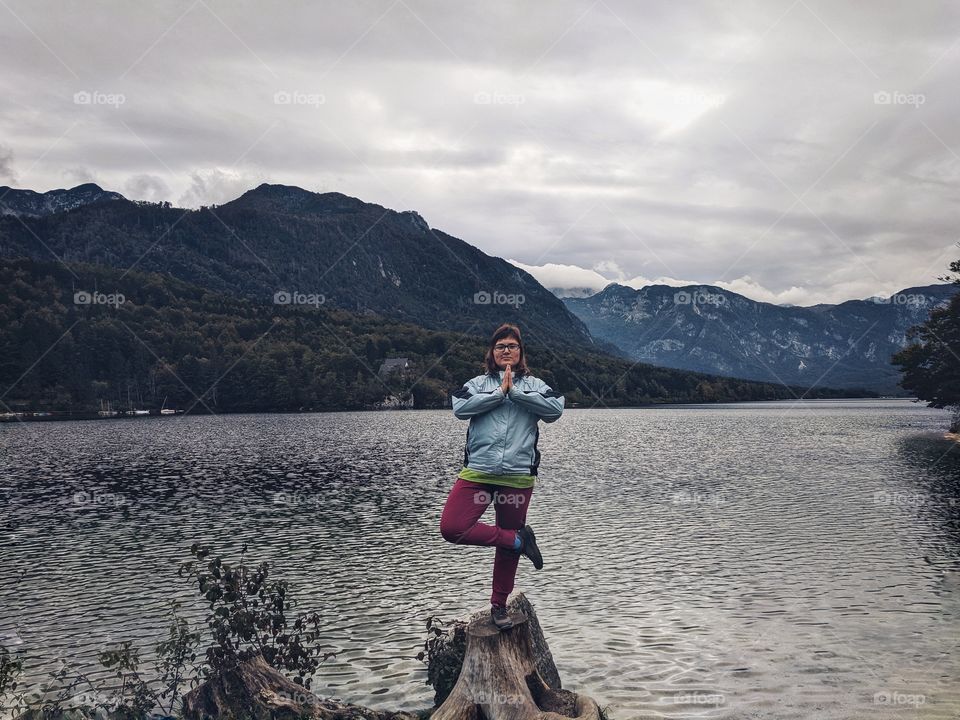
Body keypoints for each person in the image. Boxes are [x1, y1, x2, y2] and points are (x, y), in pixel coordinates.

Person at [439, 323, 565, 631]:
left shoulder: (535, 384)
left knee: (505, 551)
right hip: (478, 472)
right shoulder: (477, 383)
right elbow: (461, 407)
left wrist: (516, 393)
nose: (505, 350)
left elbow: (554, 409)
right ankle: (519, 540)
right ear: (491, 353)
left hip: (518, 477)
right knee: (452, 527)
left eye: (512, 346)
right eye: (500, 346)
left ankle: (499, 605)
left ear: (521, 353)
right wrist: (499, 393)